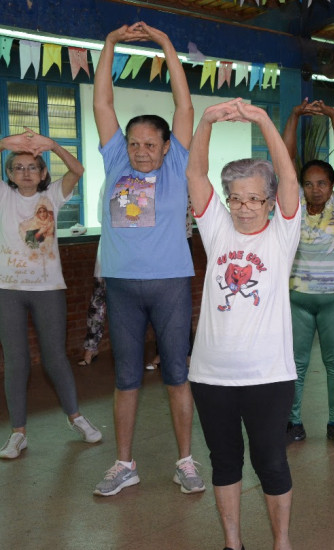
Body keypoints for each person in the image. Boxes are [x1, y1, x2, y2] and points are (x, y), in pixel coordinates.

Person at [91, 22, 203, 497]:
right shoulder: (116, 161)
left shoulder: (177, 163)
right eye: (133, 143)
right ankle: (124, 463)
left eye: (149, 144)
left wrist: (165, 45)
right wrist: (111, 44)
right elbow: (102, 103)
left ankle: (186, 462)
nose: (140, 151)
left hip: (170, 283)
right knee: (126, 377)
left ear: (164, 146)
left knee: (177, 374)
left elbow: (184, 105)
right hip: (120, 283)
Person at [186, 97, 300, 550]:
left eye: (254, 198)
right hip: (211, 375)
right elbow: (196, 174)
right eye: (236, 198)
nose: (244, 207)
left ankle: (281, 542)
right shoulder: (217, 228)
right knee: (224, 460)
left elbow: (289, 175)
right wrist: (207, 119)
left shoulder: (282, 233)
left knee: (271, 462)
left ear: (270, 202)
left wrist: (263, 119)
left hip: (268, 376)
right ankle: (232, 542)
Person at [0, 129, 102, 459]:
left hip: (48, 289)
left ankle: (76, 417)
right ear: (10, 174)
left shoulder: (53, 195)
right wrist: (5, 143)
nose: (25, 172)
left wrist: (54, 146)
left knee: (55, 357)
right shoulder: (4, 196)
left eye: (33, 166)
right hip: (8, 289)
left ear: (43, 173)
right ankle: (18, 433)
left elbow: (78, 171)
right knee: (16, 361)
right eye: (18, 167)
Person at [281, 99, 334, 447]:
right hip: (297, 299)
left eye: (322, 183)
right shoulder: (293, 204)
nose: (315, 189)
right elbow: (285, 156)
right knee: (295, 364)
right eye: (309, 183)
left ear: (331, 186)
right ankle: (292, 423)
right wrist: (294, 115)